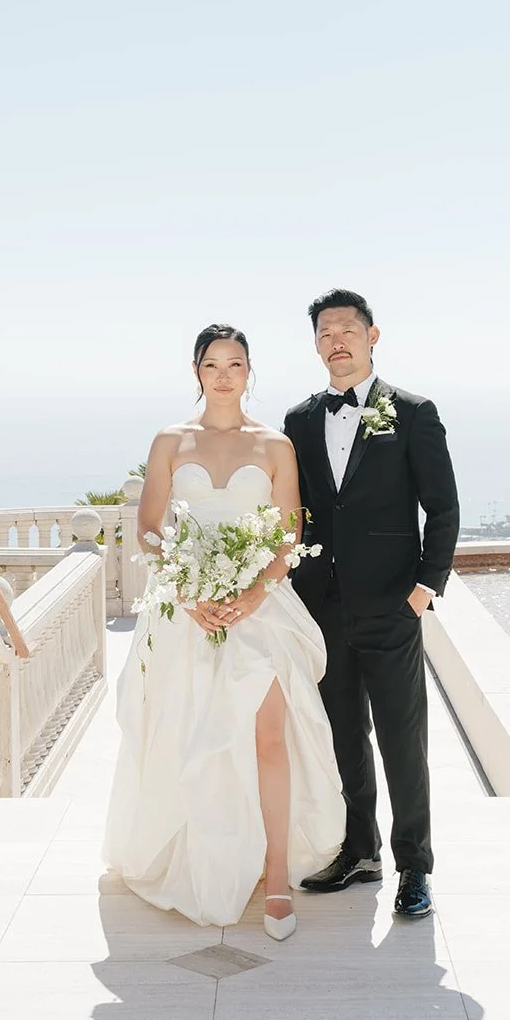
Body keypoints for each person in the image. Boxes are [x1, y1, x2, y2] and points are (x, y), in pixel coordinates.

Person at [103, 324, 344, 939]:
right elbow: (148, 528)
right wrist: (187, 591)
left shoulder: (274, 445)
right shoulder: (170, 440)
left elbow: (288, 533)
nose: (224, 376)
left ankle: (277, 878)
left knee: (269, 735)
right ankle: (205, 859)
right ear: (197, 372)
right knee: (192, 736)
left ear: (249, 371)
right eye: (212, 365)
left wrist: (255, 591)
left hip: (260, 608)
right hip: (186, 610)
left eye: (235, 364)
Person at [283, 290, 460, 918]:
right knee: (343, 738)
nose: (337, 341)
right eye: (325, 332)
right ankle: (360, 852)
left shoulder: (412, 412)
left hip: (393, 607)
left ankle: (415, 868)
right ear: (316, 345)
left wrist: (424, 589)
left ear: (372, 336)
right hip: (322, 608)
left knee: (402, 741)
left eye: (347, 330)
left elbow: (443, 507)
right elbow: (296, 512)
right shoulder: (300, 420)